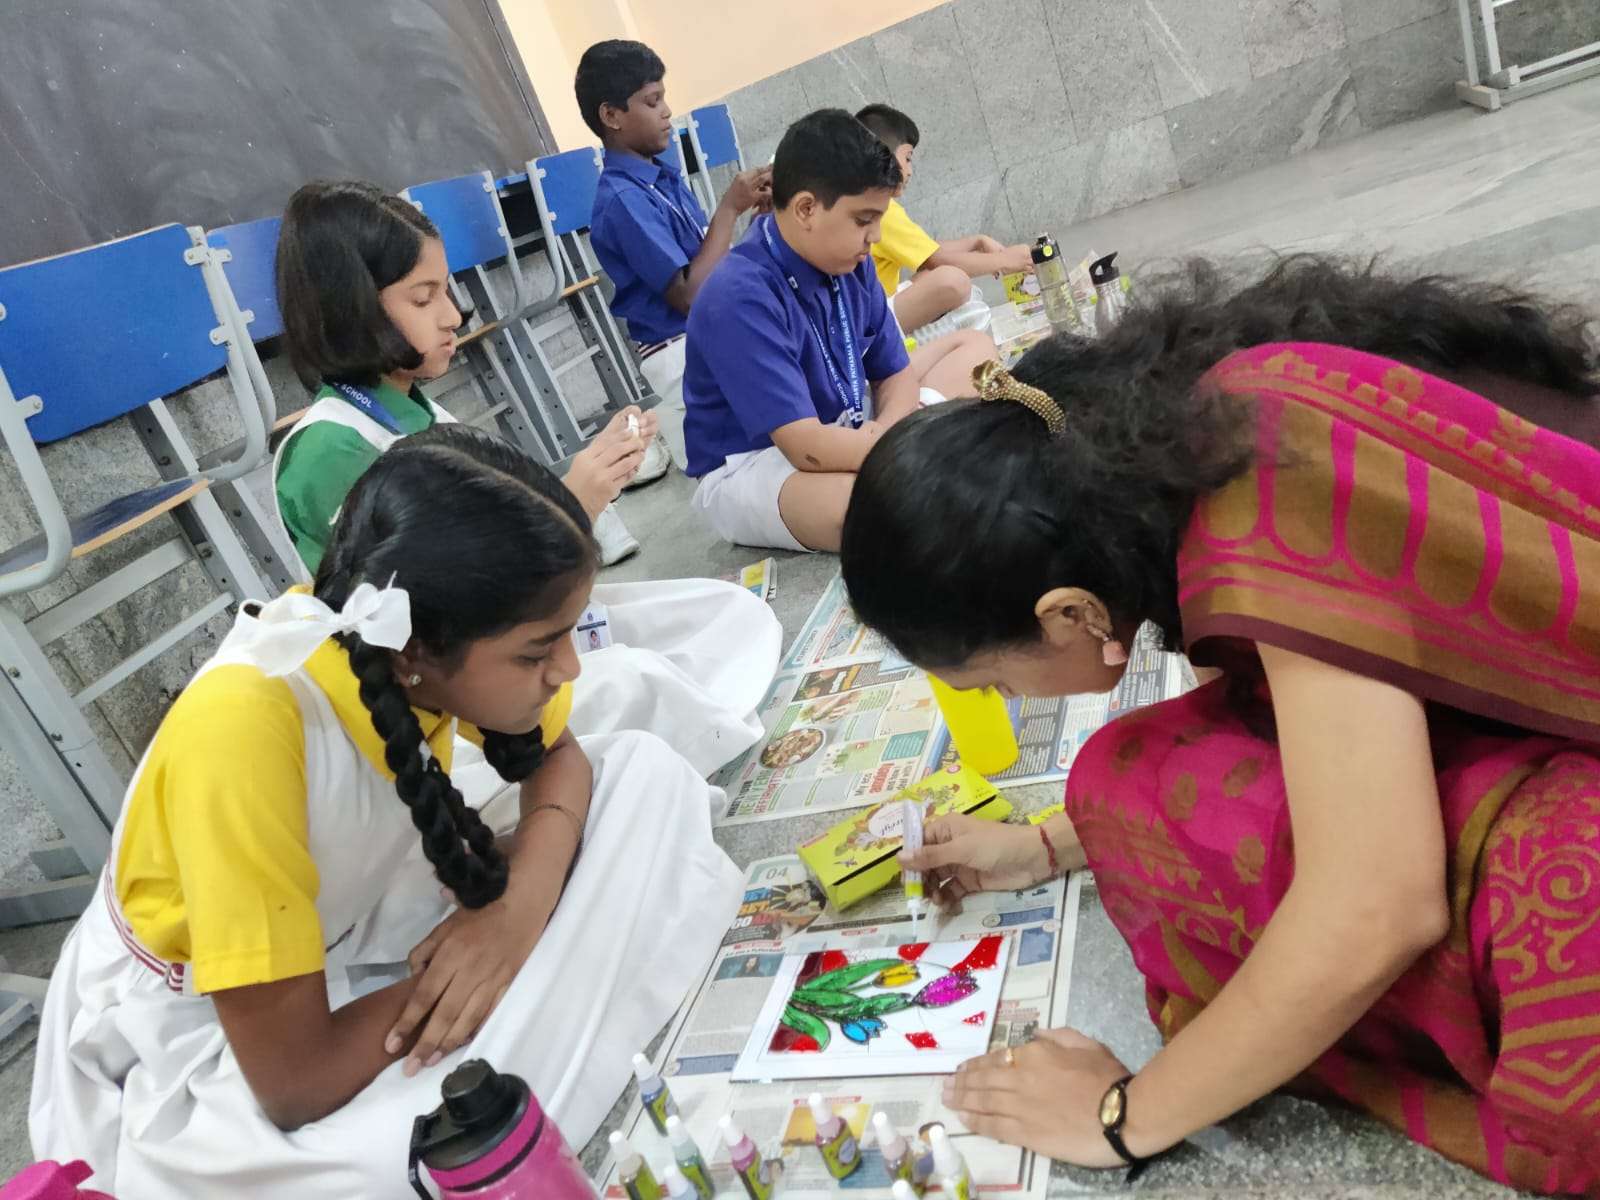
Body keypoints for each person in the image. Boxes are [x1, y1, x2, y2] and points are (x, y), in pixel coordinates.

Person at [841, 257, 1600, 1195]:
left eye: (994, 681)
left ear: (1067, 612)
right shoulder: (1187, 435)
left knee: (1156, 787)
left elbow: (1379, 903)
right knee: (1140, 775)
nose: (1011, 705)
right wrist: (1044, 848)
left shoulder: (1262, 501)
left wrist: (1123, 1117)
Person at [30, 423, 746, 1196]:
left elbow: (561, 757)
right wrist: (480, 959)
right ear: (413, 655)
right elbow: (295, 1081)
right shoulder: (242, 727)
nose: (568, 669)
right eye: (538, 651)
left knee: (641, 769)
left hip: (348, 912)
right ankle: (564, 1003)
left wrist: (515, 915)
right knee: (389, 1163)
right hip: (207, 1023)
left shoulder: (397, 636)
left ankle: (546, 1005)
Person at [272, 180, 781, 776]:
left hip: (526, 635)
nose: (453, 314)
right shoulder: (328, 450)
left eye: (447, 289)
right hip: (468, 700)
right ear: (351, 309)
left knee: (725, 611)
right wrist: (571, 505)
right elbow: (439, 619)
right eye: (424, 298)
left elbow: (486, 532)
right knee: (640, 681)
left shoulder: (413, 405)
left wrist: (576, 491)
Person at [682, 109, 995, 553]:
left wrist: (886, 434)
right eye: (864, 220)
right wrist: (899, 447)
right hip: (758, 461)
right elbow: (802, 445)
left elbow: (894, 372)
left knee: (975, 349)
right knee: (874, 512)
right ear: (806, 208)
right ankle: (914, 457)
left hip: (855, 425)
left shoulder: (849, 259)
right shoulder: (737, 296)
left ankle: (909, 456)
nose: (875, 236)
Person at [579, 39, 772, 471]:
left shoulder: (661, 177)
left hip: (709, 332)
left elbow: (715, 268)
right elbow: (689, 295)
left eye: (664, 98)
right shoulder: (624, 200)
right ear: (611, 116)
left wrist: (759, 217)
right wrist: (728, 209)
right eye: (652, 101)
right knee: (747, 463)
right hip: (681, 351)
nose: (667, 111)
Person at [856, 103, 1033, 343]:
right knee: (956, 286)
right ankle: (913, 345)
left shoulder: (877, 204)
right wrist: (1004, 261)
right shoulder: (881, 209)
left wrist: (977, 242)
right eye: (907, 158)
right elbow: (938, 259)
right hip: (869, 323)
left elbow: (928, 252)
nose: (910, 171)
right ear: (883, 155)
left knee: (950, 285)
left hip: (875, 310)